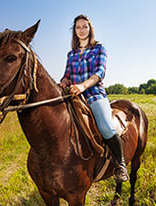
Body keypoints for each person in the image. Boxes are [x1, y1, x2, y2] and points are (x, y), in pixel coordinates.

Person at [58, 14, 129, 182]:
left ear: (90, 29)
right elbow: (67, 75)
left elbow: (100, 72)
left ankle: (121, 164)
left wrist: (83, 85)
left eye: (84, 27)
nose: (81, 30)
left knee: (105, 128)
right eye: (78, 27)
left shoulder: (99, 48)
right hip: (73, 95)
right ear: (74, 32)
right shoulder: (71, 54)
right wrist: (64, 81)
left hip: (94, 94)